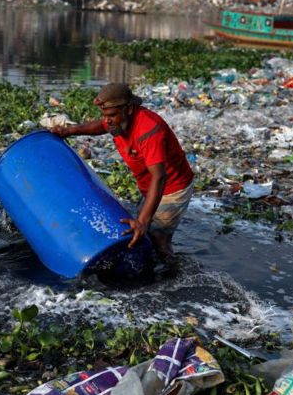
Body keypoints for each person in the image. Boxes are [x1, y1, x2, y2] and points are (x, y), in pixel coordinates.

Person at [50, 83, 194, 265]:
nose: (107, 120)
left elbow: (160, 177)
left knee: (158, 238)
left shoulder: (149, 131)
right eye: (104, 115)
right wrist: (69, 131)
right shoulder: (117, 121)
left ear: (129, 109)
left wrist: (142, 221)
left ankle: (173, 276)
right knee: (140, 232)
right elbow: (100, 126)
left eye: (111, 115)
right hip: (150, 186)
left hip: (172, 188)